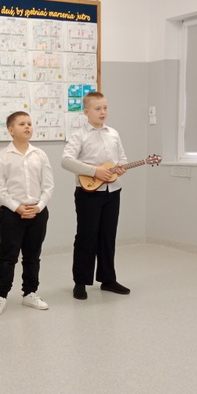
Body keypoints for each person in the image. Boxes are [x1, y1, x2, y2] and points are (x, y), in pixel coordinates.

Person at [61, 91, 130, 300]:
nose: (103, 112)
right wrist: (94, 171)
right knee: (86, 236)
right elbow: (66, 160)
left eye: (105, 108)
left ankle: (108, 279)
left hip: (113, 191)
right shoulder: (79, 135)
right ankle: (80, 282)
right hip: (88, 193)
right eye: (98, 108)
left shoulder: (114, 133)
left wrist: (122, 167)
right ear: (86, 112)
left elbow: (122, 158)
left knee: (108, 236)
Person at [0, 111, 54, 316]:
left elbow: (48, 186)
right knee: (8, 256)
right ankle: (1, 295)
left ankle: (30, 293)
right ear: (11, 130)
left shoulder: (40, 155)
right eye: (22, 124)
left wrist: (39, 206)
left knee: (33, 256)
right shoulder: (2, 157)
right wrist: (17, 207)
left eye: (29, 123)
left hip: (37, 212)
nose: (27, 127)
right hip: (11, 214)